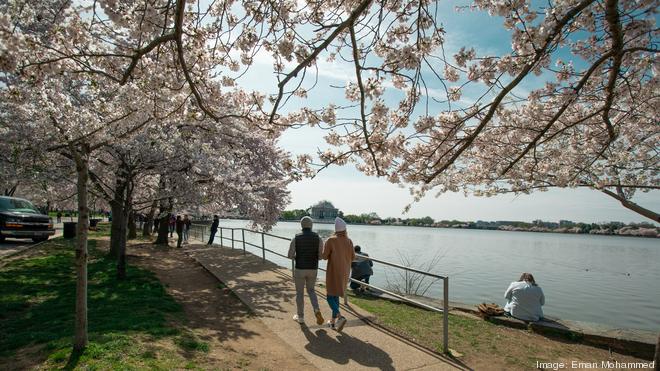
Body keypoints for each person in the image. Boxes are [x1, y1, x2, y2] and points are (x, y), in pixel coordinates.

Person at [287, 216, 325, 325]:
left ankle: (301, 317)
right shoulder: (318, 238)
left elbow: (290, 255)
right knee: (311, 291)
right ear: (311, 225)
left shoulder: (296, 238)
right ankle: (316, 310)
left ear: (301, 225)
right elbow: (320, 256)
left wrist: (297, 257)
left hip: (300, 268)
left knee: (299, 293)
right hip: (313, 268)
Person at [322, 217, 355, 332]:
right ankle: (332, 322)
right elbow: (353, 257)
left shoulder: (331, 240)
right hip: (345, 271)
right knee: (335, 296)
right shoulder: (349, 241)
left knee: (330, 296)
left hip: (334, 271)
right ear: (345, 229)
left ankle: (340, 317)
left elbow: (324, 256)